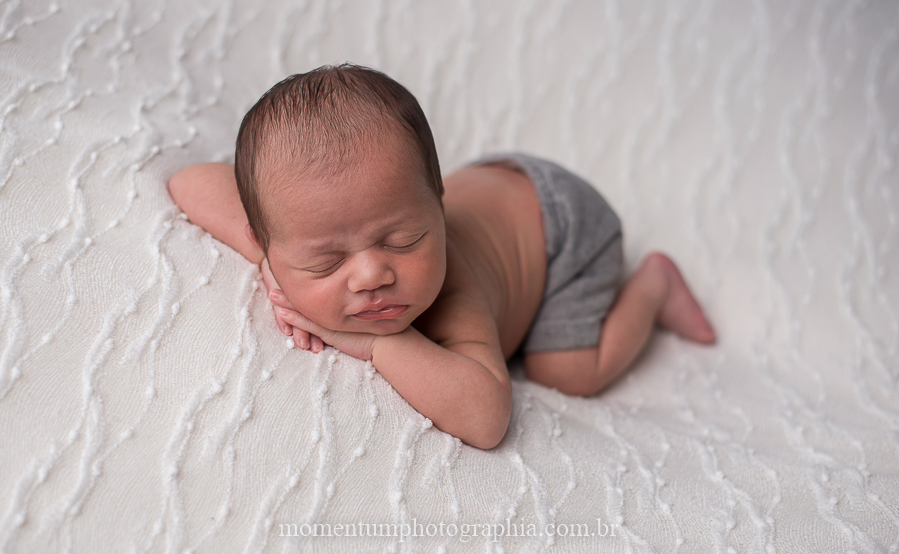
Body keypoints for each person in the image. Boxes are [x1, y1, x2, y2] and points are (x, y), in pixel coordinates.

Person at [168, 64, 716, 450]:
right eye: (326, 263)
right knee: (362, 212)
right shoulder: (299, 229)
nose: (371, 275)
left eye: (403, 241)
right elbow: (189, 182)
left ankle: (655, 285)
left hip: (565, 230)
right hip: (489, 189)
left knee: (566, 372)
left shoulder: (454, 291)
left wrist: (379, 344)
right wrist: (269, 264)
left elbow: (487, 417)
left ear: (438, 206)